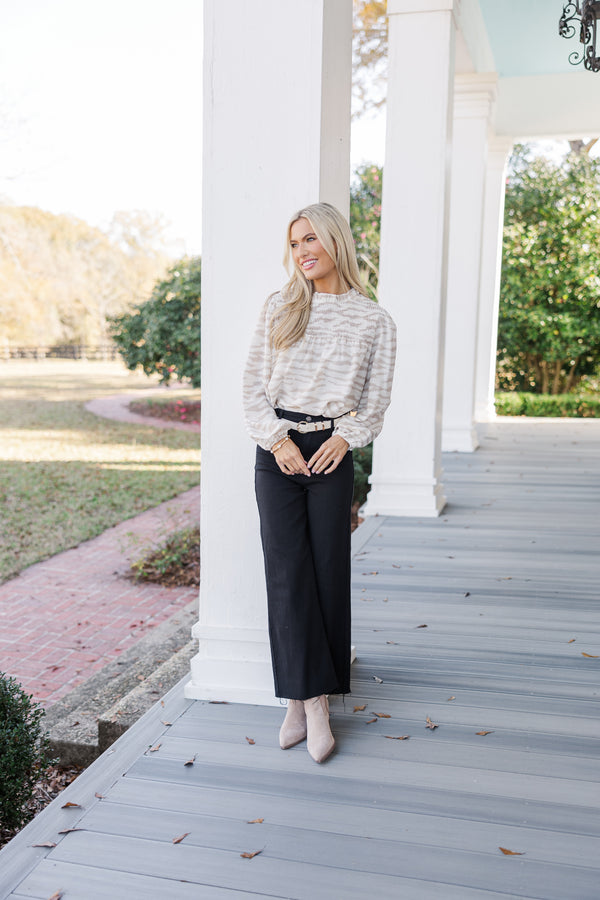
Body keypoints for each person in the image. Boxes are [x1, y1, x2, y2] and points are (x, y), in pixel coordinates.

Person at [243, 202, 396, 763]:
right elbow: (252, 390)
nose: (303, 251)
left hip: (332, 452)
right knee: (286, 575)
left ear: (336, 241)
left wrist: (344, 438)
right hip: (277, 452)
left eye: (311, 239)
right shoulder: (279, 308)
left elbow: (374, 405)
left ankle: (320, 701)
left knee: (328, 571)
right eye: (294, 243)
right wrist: (278, 441)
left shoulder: (374, 321)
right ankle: (299, 698)